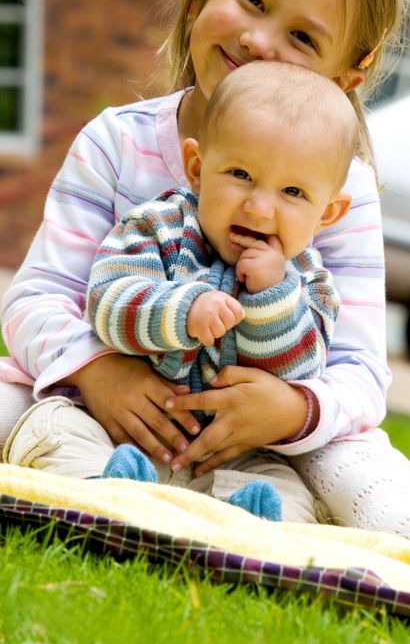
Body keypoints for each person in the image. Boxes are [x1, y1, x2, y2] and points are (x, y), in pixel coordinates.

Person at [1, 0, 410, 546]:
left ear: (347, 75)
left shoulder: (338, 194)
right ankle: (115, 485)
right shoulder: (116, 144)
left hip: (266, 439)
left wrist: (293, 409)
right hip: (91, 395)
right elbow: (36, 297)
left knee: (357, 466)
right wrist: (99, 372)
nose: (259, 40)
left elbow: (358, 369)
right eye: (252, 1)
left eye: (303, 38)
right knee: (15, 403)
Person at [4, 62, 356, 524]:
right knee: (55, 427)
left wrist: (272, 295)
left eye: (292, 191)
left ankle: (244, 525)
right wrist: (183, 309)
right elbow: (108, 303)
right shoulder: (157, 227)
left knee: (288, 490)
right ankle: (106, 492)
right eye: (240, 174)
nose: (259, 206)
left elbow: (302, 368)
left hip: (231, 457)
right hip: (120, 435)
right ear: (197, 168)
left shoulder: (310, 281)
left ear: (328, 213)